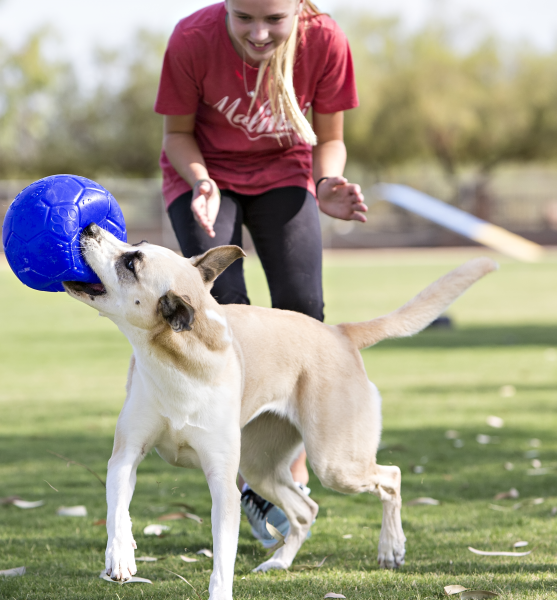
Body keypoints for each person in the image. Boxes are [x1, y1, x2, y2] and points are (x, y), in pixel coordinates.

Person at [154, 0, 366, 547]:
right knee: (222, 309)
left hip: (284, 174)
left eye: (274, 19)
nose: (259, 33)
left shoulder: (325, 41)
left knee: (303, 315)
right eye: (244, 16)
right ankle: (247, 477)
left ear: (299, 9)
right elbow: (177, 134)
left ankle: (283, 464)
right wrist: (201, 181)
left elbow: (331, 137)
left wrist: (328, 185)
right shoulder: (193, 38)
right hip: (206, 179)